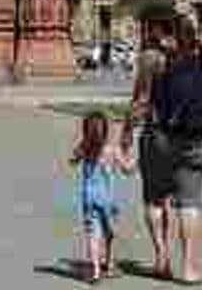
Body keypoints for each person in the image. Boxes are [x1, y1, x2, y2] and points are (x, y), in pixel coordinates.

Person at [151, 13, 202, 285]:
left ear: (172, 37)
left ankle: (162, 257)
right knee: (190, 204)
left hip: (166, 138)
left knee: (157, 197)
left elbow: (149, 101)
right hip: (198, 137)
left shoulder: (160, 63)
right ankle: (188, 268)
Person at [120, 6, 177, 280]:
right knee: (168, 199)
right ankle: (172, 253)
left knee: (153, 198)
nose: (141, 32)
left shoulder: (150, 57)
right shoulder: (187, 54)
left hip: (157, 133)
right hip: (183, 136)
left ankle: (161, 254)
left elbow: (141, 99)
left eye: (144, 26)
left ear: (154, 28)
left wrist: (127, 130)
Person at [71, 111, 134, 283]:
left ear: (86, 132)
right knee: (110, 233)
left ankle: (96, 271)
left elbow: (72, 160)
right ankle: (110, 264)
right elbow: (128, 169)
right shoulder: (111, 150)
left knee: (93, 234)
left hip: (89, 198)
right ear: (105, 131)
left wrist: (79, 154)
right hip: (108, 199)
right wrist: (132, 159)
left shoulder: (84, 149)